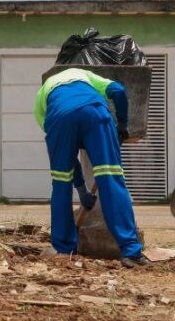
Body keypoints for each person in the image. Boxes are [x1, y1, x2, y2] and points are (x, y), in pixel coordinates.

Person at [34, 68, 146, 267]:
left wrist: (79, 188)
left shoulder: (41, 99)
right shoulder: (85, 76)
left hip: (59, 118)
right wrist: (122, 124)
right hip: (95, 113)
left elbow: (67, 159)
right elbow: (119, 91)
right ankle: (131, 251)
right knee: (111, 178)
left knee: (60, 182)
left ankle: (63, 249)